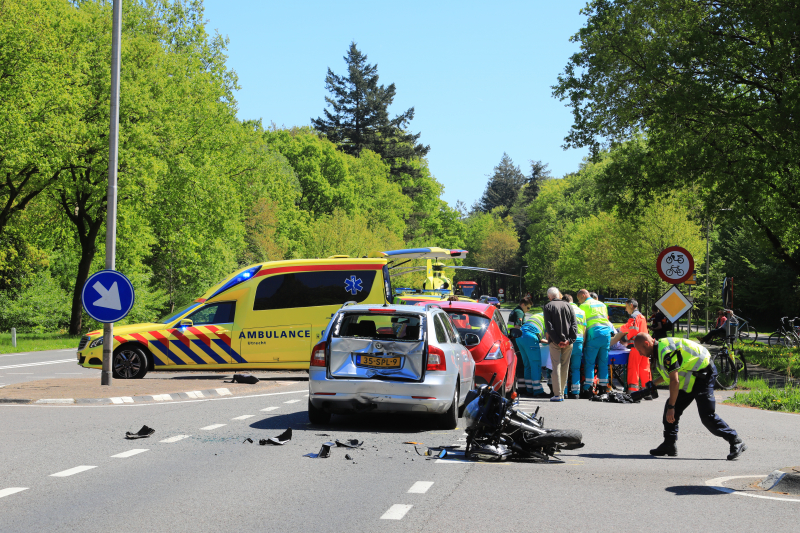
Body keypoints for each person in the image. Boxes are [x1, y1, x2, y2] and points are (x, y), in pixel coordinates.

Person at [633, 333, 747, 460]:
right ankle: (669, 444)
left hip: (704, 375)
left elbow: (674, 381)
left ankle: (736, 440)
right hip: (692, 377)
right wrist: (654, 384)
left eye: (639, 350)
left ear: (646, 344)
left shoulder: (665, 352)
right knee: (671, 408)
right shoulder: (660, 348)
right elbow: (671, 373)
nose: (640, 353)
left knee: (707, 416)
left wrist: (672, 406)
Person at [577, 289, 614, 398]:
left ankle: (588, 388)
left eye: (579, 299)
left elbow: (583, 325)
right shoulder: (602, 304)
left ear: (583, 295)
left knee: (590, 363)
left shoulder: (583, 306)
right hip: (606, 334)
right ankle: (603, 388)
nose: (579, 301)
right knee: (603, 362)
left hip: (594, 335)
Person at [543, 287, 577, 402]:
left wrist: (558, 340)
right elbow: (574, 325)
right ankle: (562, 392)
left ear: (549, 297)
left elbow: (549, 327)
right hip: (568, 342)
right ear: (559, 295)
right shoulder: (568, 305)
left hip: (555, 342)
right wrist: (570, 340)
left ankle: (557, 394)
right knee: (565, 367)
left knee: (556, 366)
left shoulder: (548, 306)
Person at [610, 299, 651, 393]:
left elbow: (633, 330)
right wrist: (619, 329)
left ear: (631, 305)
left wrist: (625, 338)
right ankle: (648, 391)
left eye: (626, 307)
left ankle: (633, 390)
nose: (625, 309)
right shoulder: (641, 316)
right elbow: (628, 326)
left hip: (636, 347)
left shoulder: (633, 316)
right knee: (645, 368)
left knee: (634, 367)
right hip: (645, 347)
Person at [518, 311, 548, 397]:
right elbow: (546, 339)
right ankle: (538, 390)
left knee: (527, 365)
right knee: (535, 364)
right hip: (530, 337)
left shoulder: (538, 315)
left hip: (520, 336)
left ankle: (530, 389)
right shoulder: (549, 319)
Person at [563, 294, 586, 399]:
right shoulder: (581, 311)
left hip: (568, 341)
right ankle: (576, 392)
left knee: (565, 366)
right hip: (579, 341)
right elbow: (584, 330)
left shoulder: (565, 309)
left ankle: (565, 391)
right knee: (576, 368)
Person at [508, 297, 532, 385]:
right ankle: (521, 385)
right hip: (517, 338)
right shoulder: (519, 312)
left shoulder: (516, 310)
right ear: (522, 305)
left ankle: (519, 383)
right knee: (521, 362)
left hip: (513, 337)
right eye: (528, 307)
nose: (528, 310)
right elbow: (517, 327)